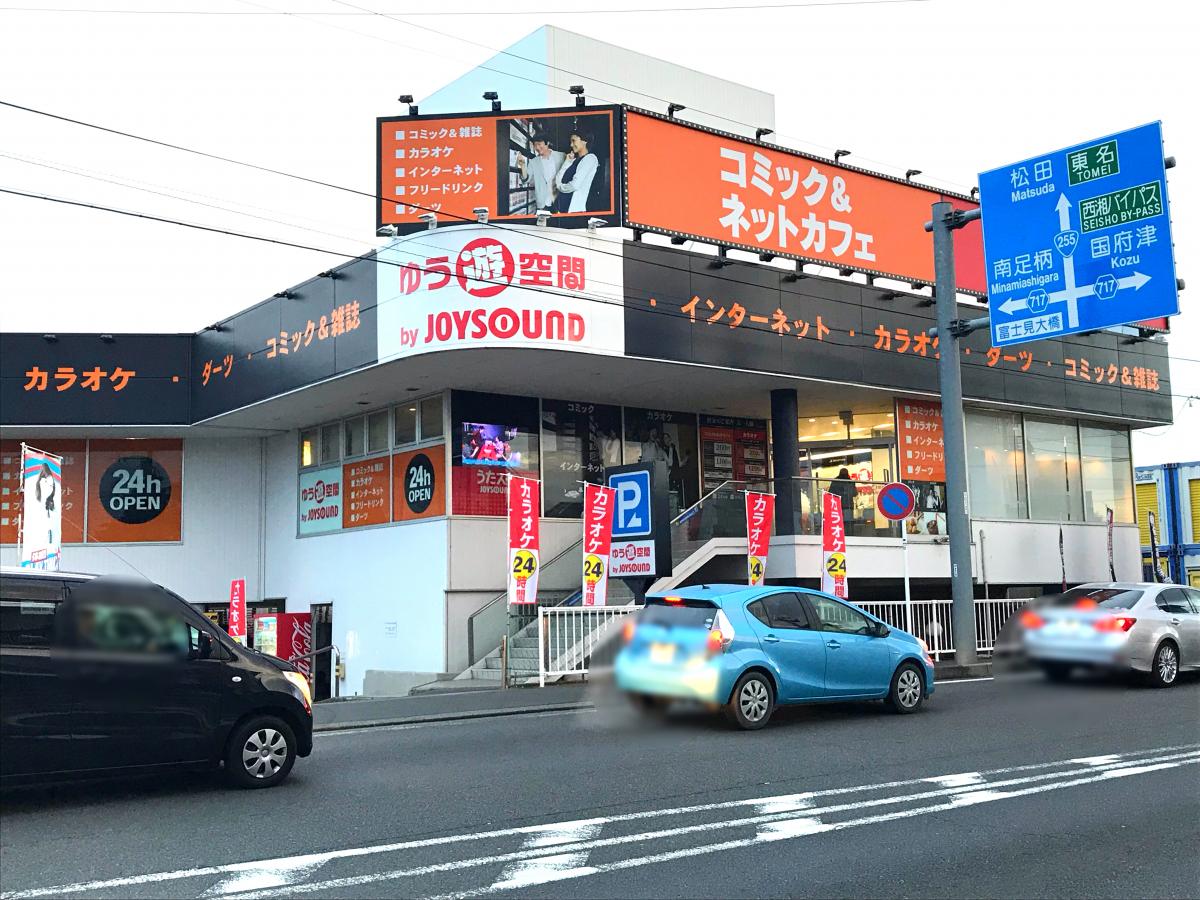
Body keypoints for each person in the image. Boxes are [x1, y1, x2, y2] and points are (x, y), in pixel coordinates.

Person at [515, 132, 565, 212]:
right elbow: (525, 179)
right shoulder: (533, 162)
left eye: (539, 144)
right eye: (535, 145)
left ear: (547, 143)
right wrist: (523, 166)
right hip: (543, 204)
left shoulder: (561, 156)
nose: (537, 147)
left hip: (560, 201)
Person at [554, 130, 599, 214]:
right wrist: (567, 162)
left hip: (574, 211)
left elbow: (574, 185)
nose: (571, 145)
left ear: (584, 141)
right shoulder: (573, 160)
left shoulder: (590, 158)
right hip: (561, 208)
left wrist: (560, 187)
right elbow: (558, 178)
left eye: (573, 141)